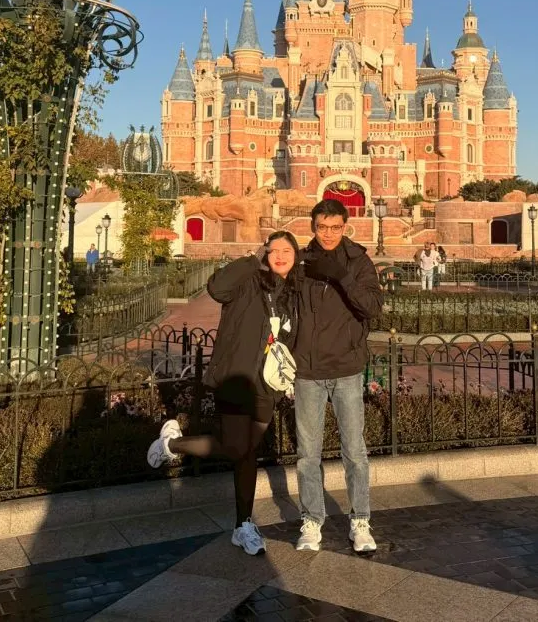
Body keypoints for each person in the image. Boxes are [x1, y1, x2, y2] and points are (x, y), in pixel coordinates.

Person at [146, 231, 300, 556]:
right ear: (265, 253)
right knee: (236, 448)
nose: (280, 256)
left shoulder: (293, 294)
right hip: (235, 377)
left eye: (287, 251)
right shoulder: (247, 283)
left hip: (267, 385)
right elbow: (216, 289)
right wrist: (250, 260)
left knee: (246, 452)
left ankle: (242, 524)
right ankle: (173, 446)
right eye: (274, 250)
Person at [293, 199, 383, 554]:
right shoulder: (301, 262)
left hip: (346, 368)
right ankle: (312, 520)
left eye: (335, 227)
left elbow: (372, 307)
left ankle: (360, 521)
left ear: (346, 226)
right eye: (322, 227)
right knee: (307, 454)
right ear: (313, 227)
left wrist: (341, 276)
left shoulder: (358, 261)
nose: (328, 234)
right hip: (308, 370)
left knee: (355, 452)